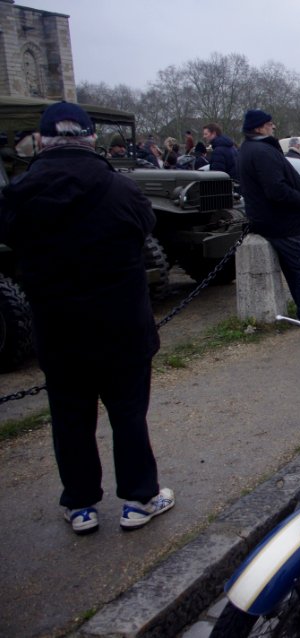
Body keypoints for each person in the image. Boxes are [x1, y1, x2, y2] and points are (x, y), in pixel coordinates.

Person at [0, 102, 174, 535]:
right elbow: (143, 226)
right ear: (91, 139)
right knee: (129, 414)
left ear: (41, 140)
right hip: (121, 325)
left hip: (59, 327)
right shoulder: (122, 190)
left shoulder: (21, 194)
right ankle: (139, 498)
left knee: (70, 418)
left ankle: (81, 504)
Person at [237, 109, 300, 327]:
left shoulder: (250, 149)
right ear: (259, 128)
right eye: (269, 123)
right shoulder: (261, 151)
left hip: (275, 221)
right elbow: (276, 189)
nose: (273, 126)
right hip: (285, 223)